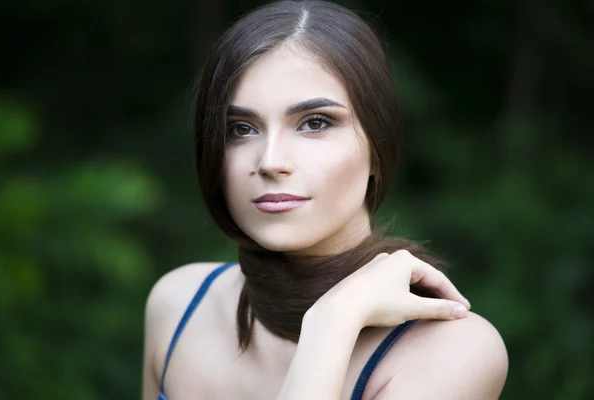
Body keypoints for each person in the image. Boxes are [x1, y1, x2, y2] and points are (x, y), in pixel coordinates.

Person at [142, 0, 508, 399]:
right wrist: (334, 321)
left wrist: (332, 322)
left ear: (377, 146)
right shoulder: (179, 304)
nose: (271, 162)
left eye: (315, 123)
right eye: (241, 129)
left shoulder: (452, 352)